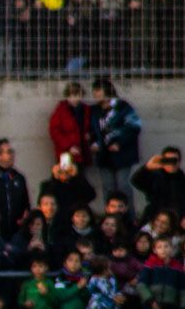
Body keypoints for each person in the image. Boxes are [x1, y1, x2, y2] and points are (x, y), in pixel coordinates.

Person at [90, 78, 141, 207]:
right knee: (108, 187)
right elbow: (92, 130)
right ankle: (110, 214)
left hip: (123, 155)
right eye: (94, 91)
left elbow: (134, 127)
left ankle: (129, 215)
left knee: (123, 186)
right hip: (103, 155)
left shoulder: (123, 107)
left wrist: (119, 143)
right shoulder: (95, 110)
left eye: (98, 90)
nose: (96, 94)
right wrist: (94, 143)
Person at [131, 147, 185, 220]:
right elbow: (136, 181)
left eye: (174, 160)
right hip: (155, 216)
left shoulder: (182, 180)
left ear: (179, 161)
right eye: (168, 160)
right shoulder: (155, 178)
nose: (171, 163)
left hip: (176, 218)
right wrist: (147, 168)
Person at [49, 82, 92, 166]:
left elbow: (91, 127)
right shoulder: (61, 110)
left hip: (81, 151)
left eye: (77, 95)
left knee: (79, 172)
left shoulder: (86, 110)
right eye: (71, 95)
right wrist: (68, 146)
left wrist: (90, 134)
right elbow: (54, 131)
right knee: (66, 172)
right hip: (65, 153)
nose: (74, 98)